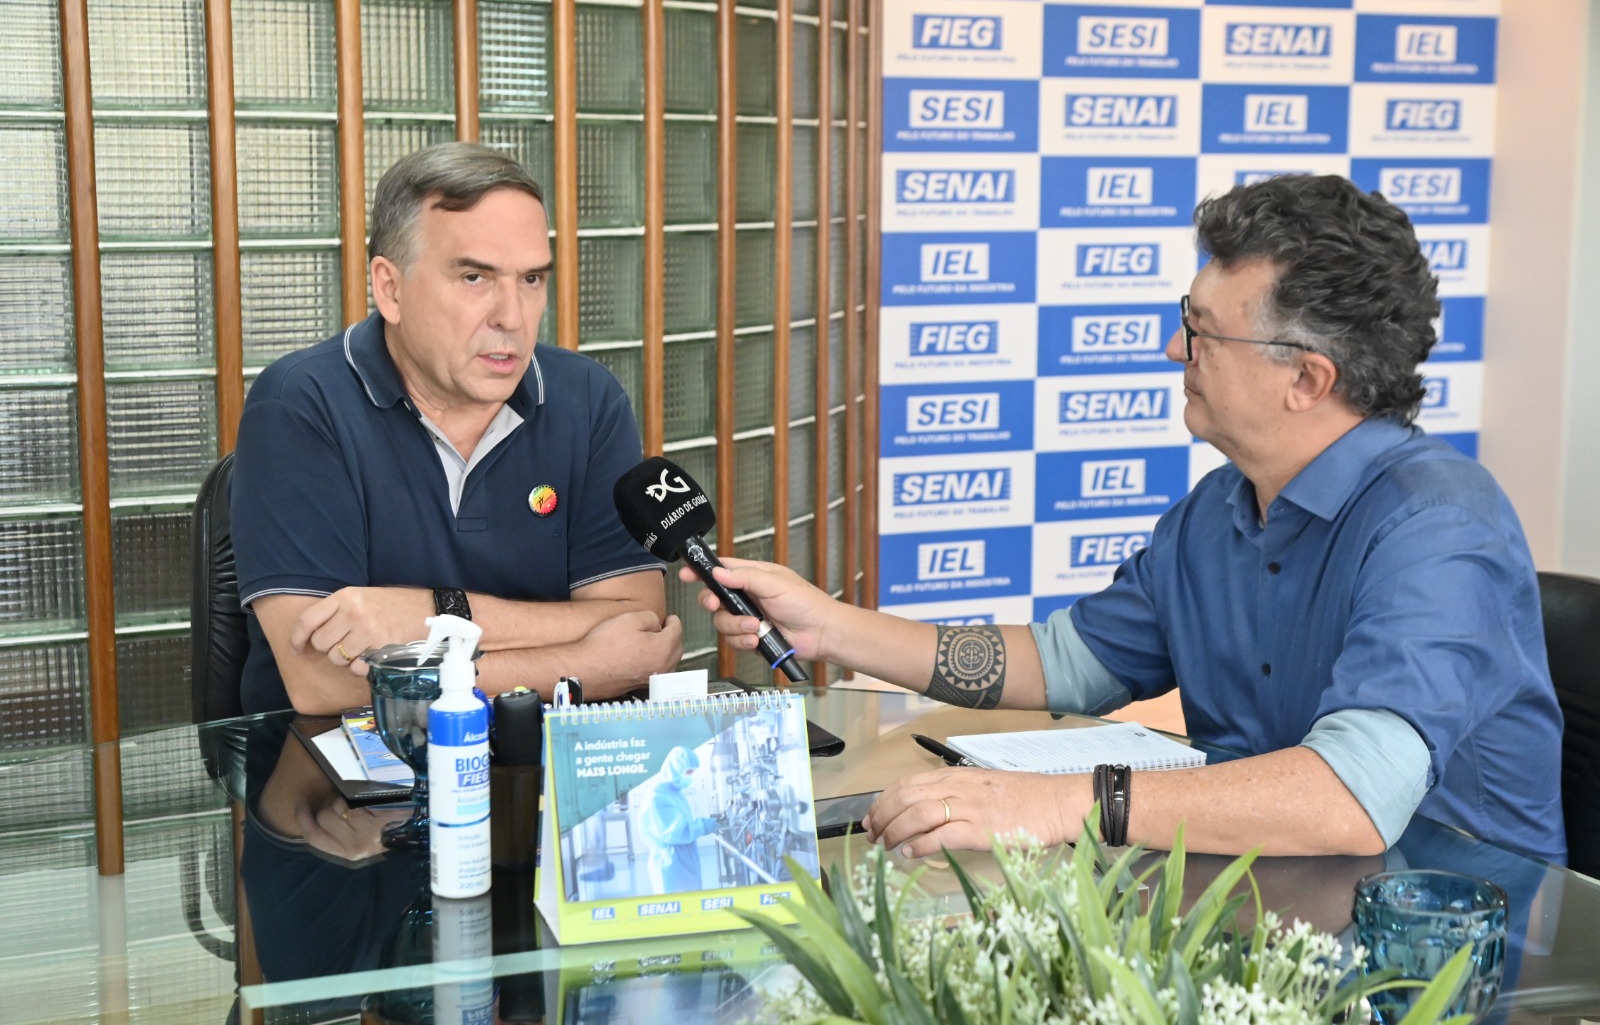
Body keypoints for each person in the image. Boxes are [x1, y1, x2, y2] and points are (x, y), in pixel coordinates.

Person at [688, 174, 1566, 863]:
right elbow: (1065, 663)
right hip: (1263, 905)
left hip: (1457, 956)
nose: (1174, 349)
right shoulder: (1215, 511)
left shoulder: (1442, 527)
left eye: (1203, 331)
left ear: (1306, 378)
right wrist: (830, 626)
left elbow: (1351, 793)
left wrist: (1067, 802)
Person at [233, 142, 682, 715]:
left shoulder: (589, 401)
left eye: (531, 280)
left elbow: (634, 623)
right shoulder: (300, 404)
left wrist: (428, 616)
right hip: (349, 788)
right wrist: (582, 666)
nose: (512, 317)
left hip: (537, 770)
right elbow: (323, 683)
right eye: (475, 277)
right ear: (390, 288)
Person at [639, 746, 717, 894]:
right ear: (675, 768)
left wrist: (701, 823)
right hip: (670, 863)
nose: (690, 776)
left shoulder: (673, 792)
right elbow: (675, 831)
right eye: (688, 772)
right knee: (676, 909)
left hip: (681, 860)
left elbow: (680, 821)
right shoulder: (657, 796)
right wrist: (701, 827)